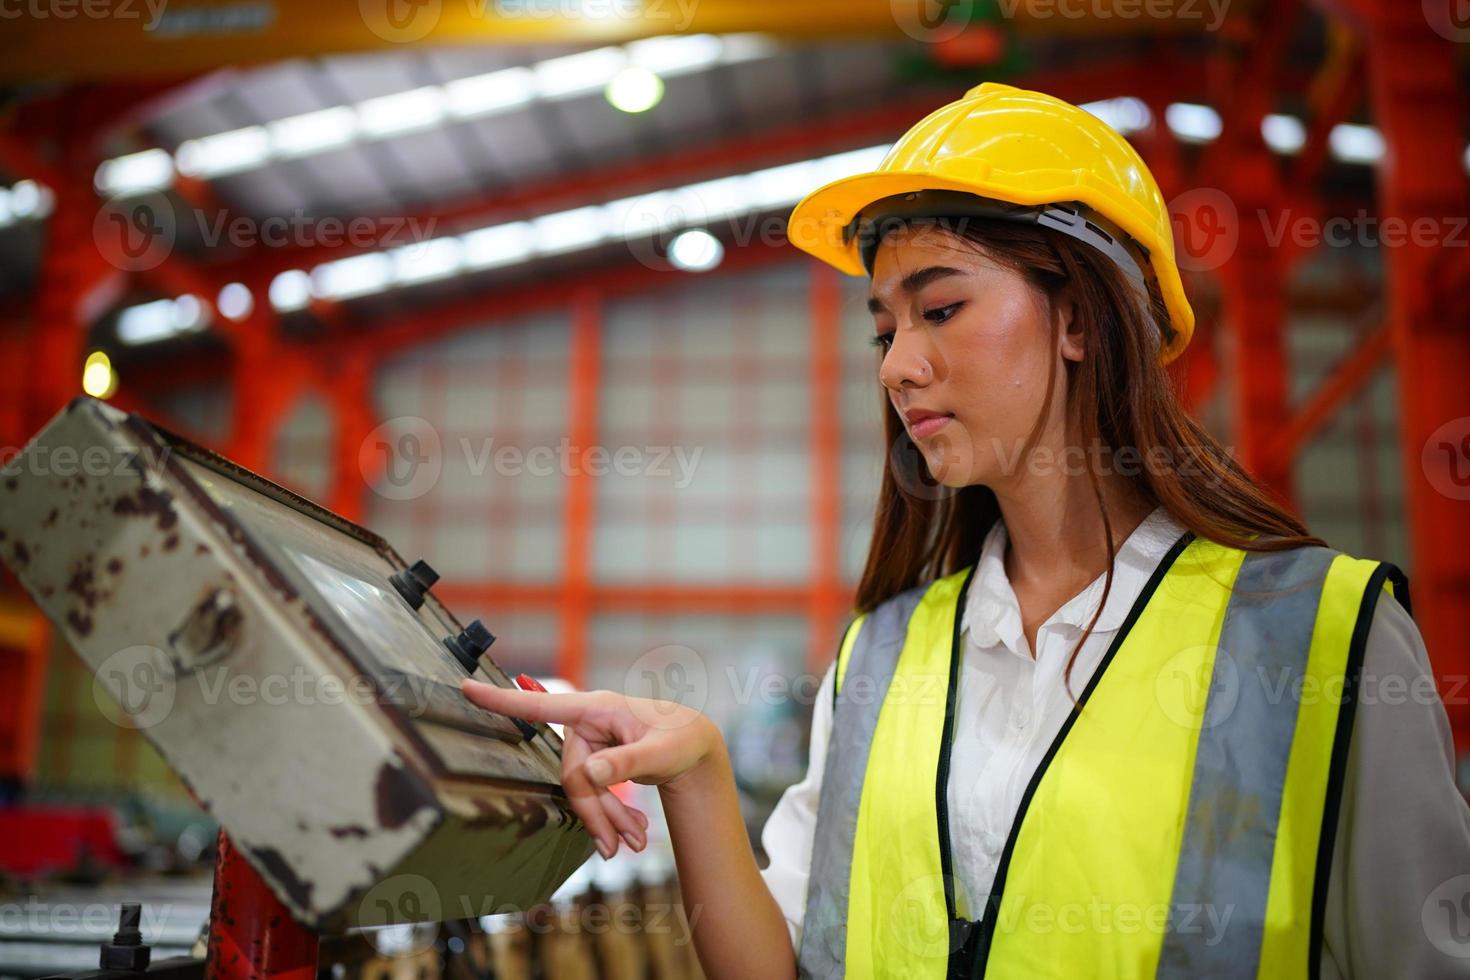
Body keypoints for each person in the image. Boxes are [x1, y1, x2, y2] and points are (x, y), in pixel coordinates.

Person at [462, 83, 1470, 978]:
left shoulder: (1322, 637)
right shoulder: (886, 652)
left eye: (939, 308)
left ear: (1079, 318)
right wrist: (697, 769)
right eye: (884, 329)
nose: (897, 366)